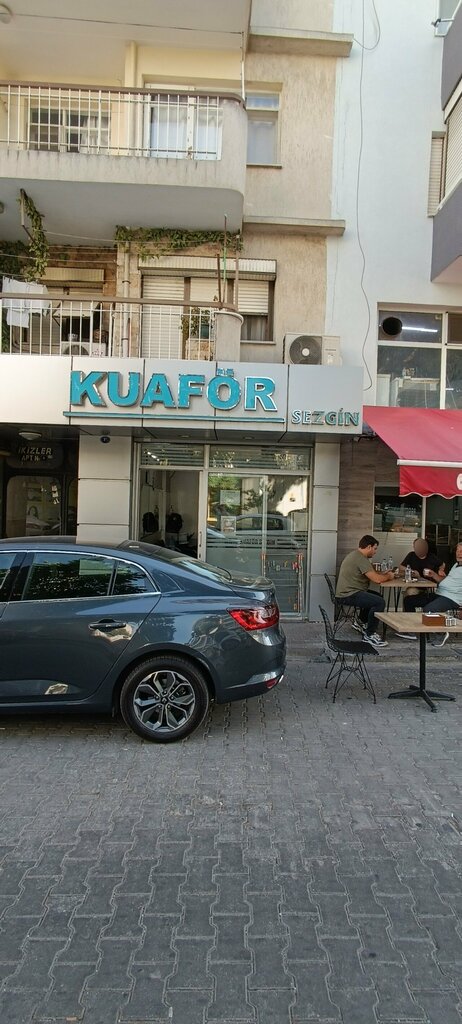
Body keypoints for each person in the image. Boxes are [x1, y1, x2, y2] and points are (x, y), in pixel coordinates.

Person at [335, 535, 395, 648]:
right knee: (379, 602)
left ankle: (361, 622)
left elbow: (372, 574)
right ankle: (370, 634)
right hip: (348, 594)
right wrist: (389, 576)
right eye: (375, 548)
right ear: (369, 547)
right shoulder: (361, 559)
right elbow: (376, 580)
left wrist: (384, 574)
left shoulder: (357, 556)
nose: (375, 552)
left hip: (348, 591)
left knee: (376, 596)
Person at [408, 541, 462, 647]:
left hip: (452, 598)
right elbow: (445, 580)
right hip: (440, 593)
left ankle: (441, 634)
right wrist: (434, 575)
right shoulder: (456, 565)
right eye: (457, 550)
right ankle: (411, 632)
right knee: (409, 601)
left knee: (429, 609)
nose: (459, 553)